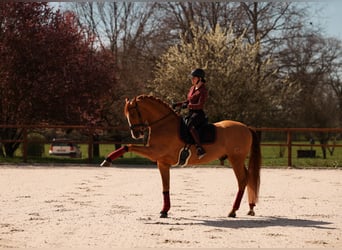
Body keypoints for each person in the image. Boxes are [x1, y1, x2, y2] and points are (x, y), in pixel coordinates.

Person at [172, 68, 208, 159]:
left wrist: (188, 106)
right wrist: (178, 104)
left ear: (199, 78)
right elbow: (188, 101)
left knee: (190, 125)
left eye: (194, 78)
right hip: (191, 112)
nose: (192, 80)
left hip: (198, 114)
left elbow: (200, 105)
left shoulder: (203, 90)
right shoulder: (192, 88)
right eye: (192, 78)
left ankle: (200, 148)